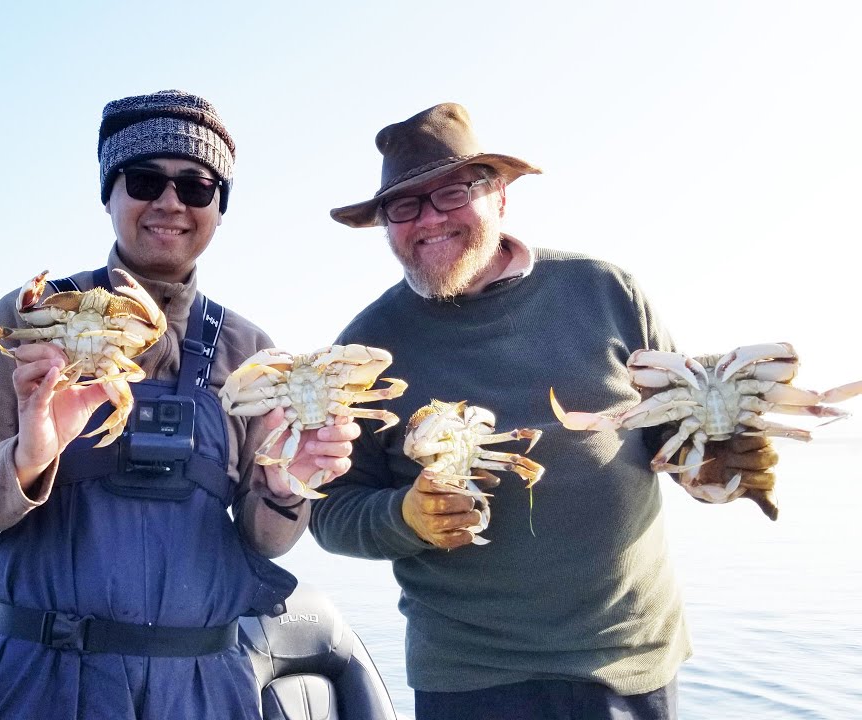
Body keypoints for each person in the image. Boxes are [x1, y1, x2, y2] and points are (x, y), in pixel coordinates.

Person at [308, 102, 778, 720]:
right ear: (385, 225)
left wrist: (717, 465)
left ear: (499, 195)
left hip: (630, 658)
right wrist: (407, 517)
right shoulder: (365, 351)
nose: (429, 219)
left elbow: (674, 433)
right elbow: (330, 512)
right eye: (404, 206)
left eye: (452, 193)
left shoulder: (606, 291)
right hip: (471, 676)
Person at [0, 89, 360, 720]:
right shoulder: (35, 320)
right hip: (44, 683)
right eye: (144, 180)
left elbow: (265, 541)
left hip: (204, 687)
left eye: (197, 187)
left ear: (218, 209)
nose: (170, 202)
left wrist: (285, 487)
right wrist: (28, 456)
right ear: (109, 194)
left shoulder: (251, 353)